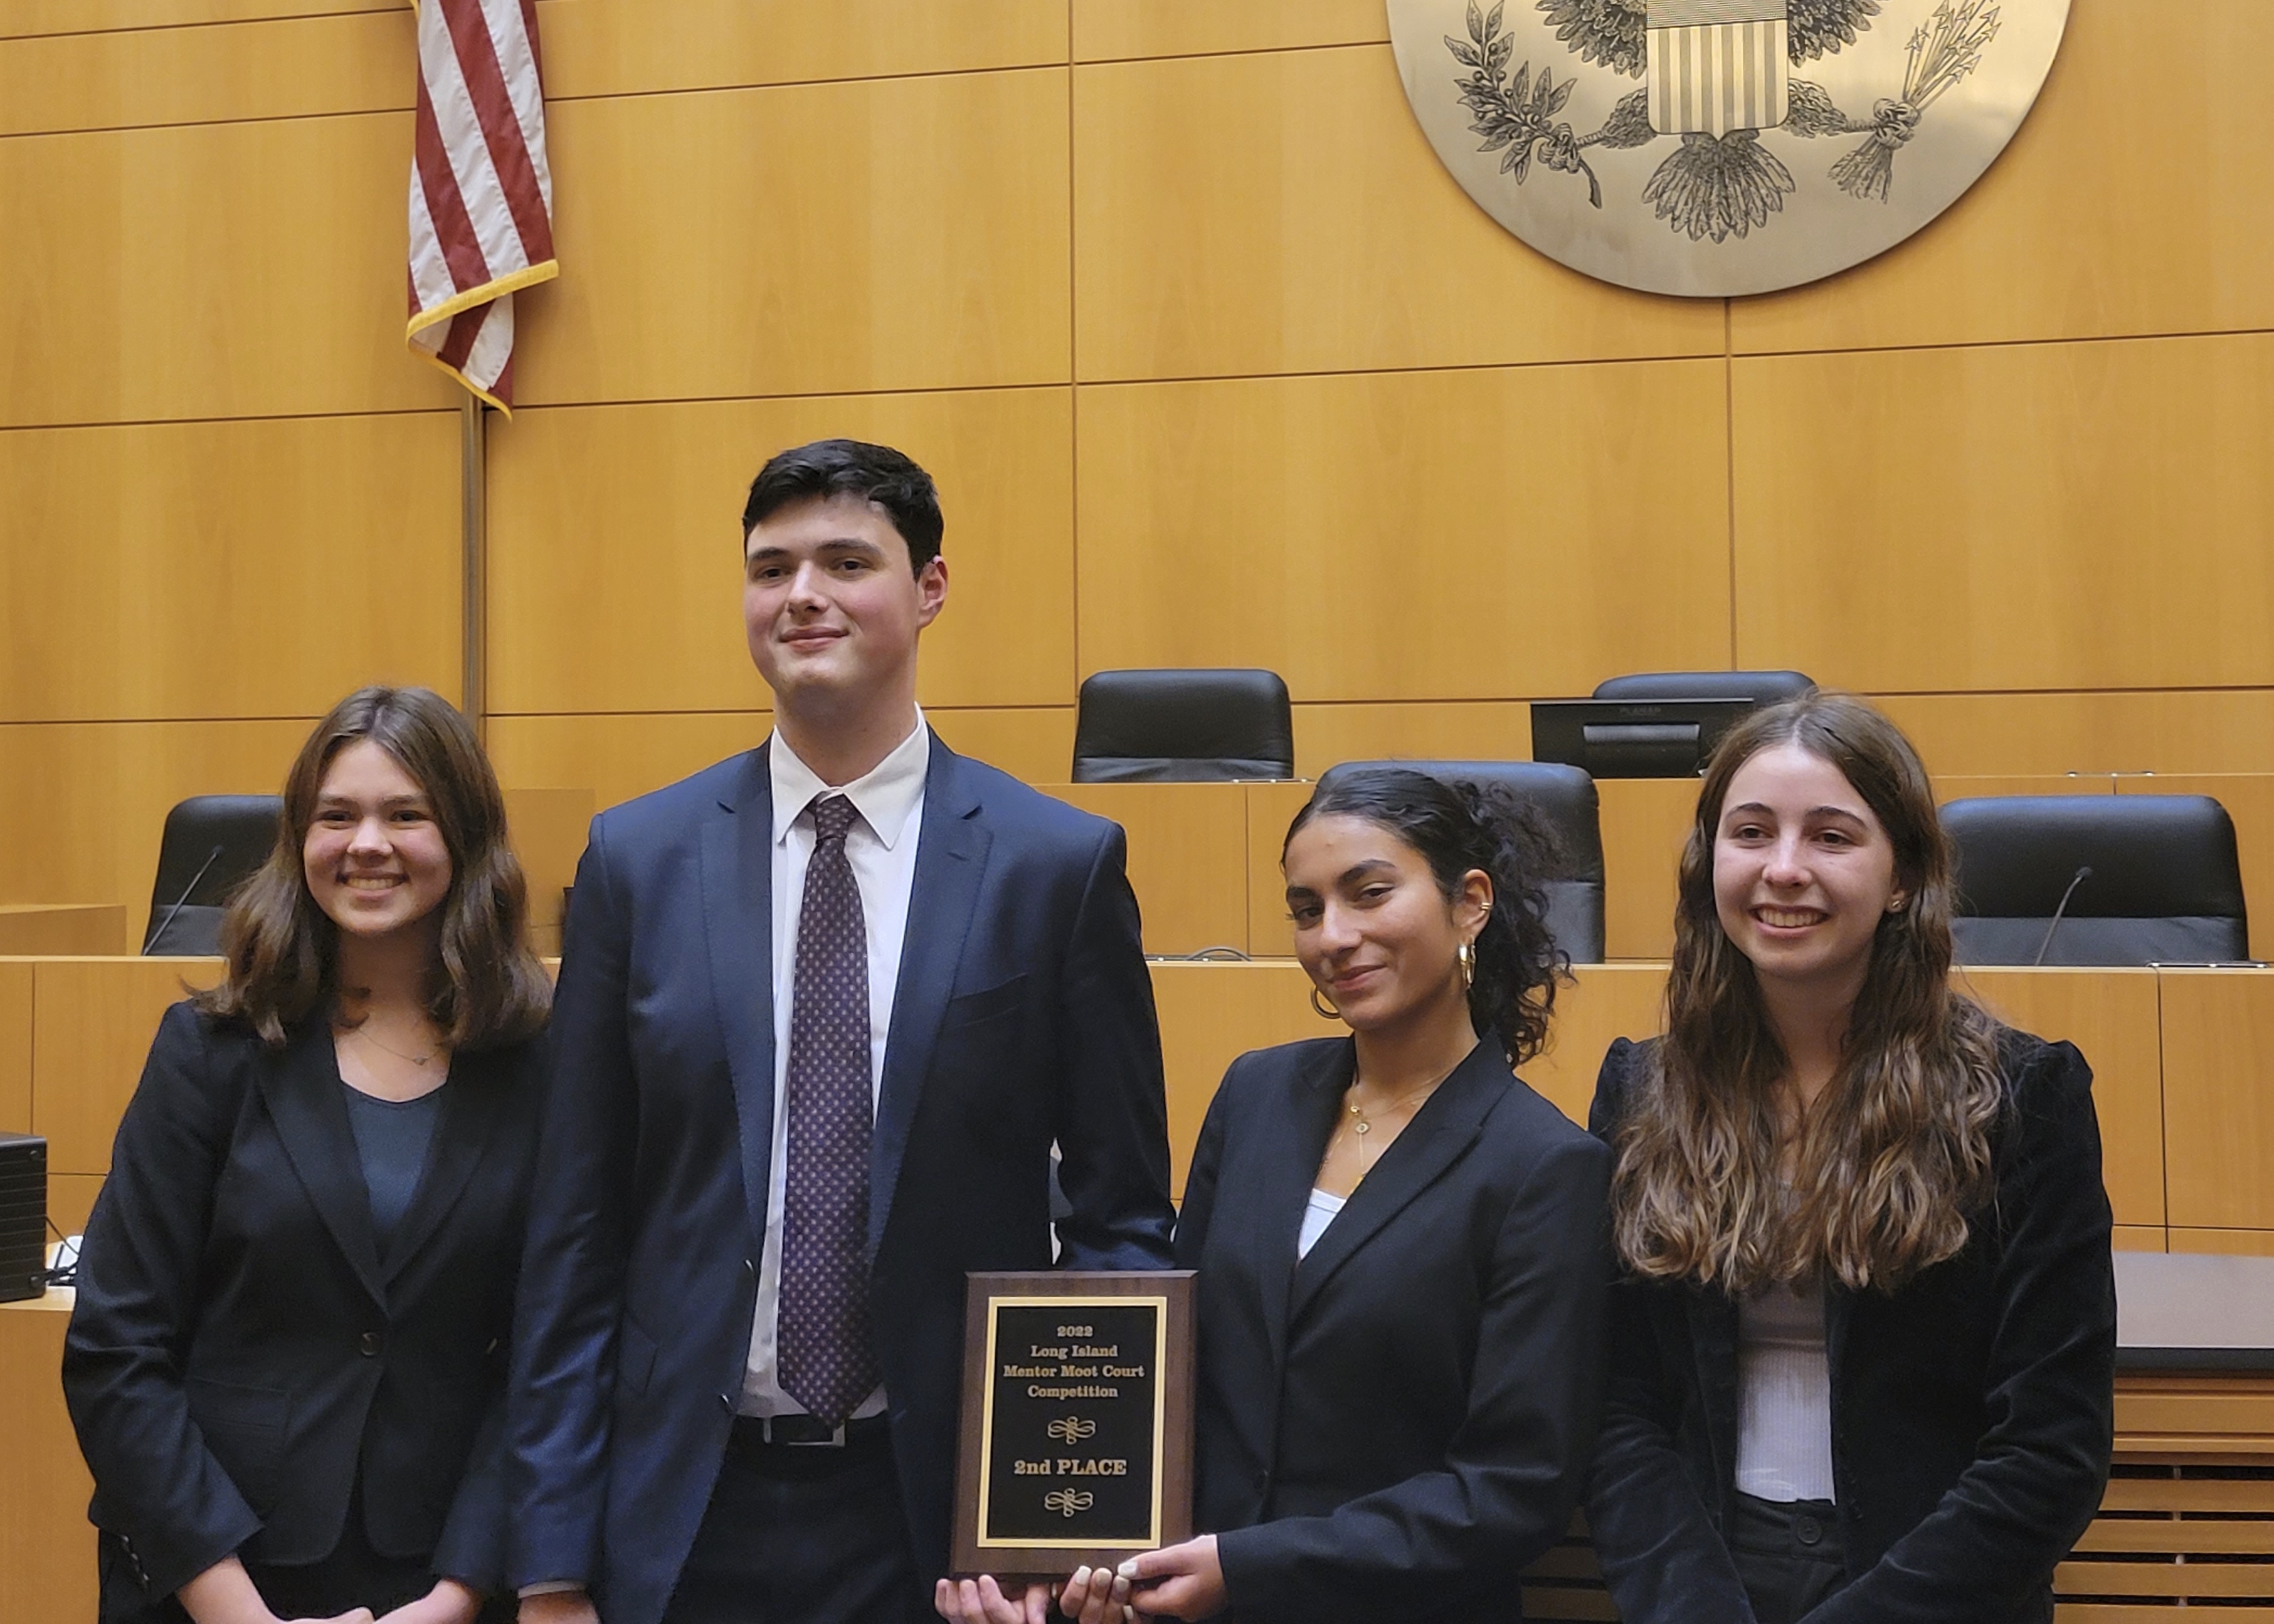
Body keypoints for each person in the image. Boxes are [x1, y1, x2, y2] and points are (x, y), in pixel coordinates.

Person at [507, 438, 1176, 1624]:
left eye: (844, 560)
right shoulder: (636, 861)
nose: (801, 594)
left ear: (928, 589)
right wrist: (552, 1565)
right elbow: (575, 1227)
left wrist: (1057, 1521)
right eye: (770, 569)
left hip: (943, 1529)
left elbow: (1120, 1223)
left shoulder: (1054, 867)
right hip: (680, 1506)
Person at [958, 767, 1612, 1624]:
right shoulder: (1255, 1095)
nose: (1333, 936)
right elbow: (1170, 1371)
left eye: (1368, 893)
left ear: (1470, 903)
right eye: (1306, 909)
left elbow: (1509, 1489)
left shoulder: (1546, 1167)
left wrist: (1247, 1565)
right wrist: (1082, 1561)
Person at [1584, 692, 2116, 1624]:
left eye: (1830, 836)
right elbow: (1616, 1406)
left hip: (1935, 1588)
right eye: (1749, 831)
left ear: (1903, 874)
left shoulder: (2025, 1099)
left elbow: (2050, 1445)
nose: (1782, 869)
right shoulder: (1641, 1091)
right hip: (1707, 1575)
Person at [63, 686, 554, 1624]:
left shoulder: (537, 1064)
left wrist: (456, 1595)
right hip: (210, 1567)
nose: (366, 843)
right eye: (337, 815)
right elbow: (116, 1350)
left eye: (405, 813)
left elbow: (543, 1358)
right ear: (300, 842)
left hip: (442, 1572)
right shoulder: (209, 1054)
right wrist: (233, 1610)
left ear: (464, 837)